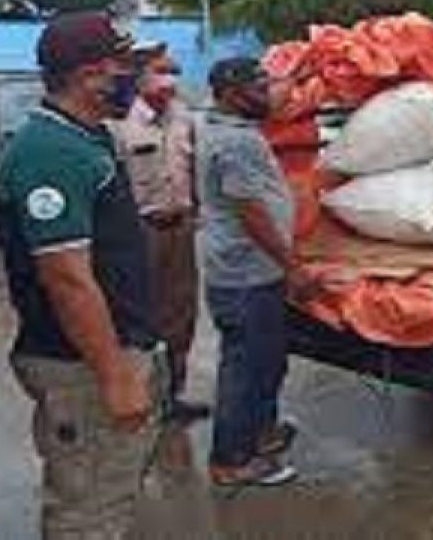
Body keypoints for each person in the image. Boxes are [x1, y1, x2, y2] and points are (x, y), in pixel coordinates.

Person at [0, 12, 162, 539]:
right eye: (126, 67)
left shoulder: (85, 139)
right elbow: (67, 279)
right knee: (88, 507)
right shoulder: (51, 152)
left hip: (104, 353)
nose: (135, 78)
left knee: (108, 493)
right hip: (82, 366)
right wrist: (116, 376)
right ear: (91, 75)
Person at [196, 57, 307, 489]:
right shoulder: (235, 143)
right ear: (231, 92)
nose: (267, 94)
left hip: (251, 270)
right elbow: (252, 214)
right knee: (245, 369)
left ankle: (261, 433)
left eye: (266, 84)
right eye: (257, 87)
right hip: (245, 274)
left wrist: (301, 75)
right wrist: (292, 266)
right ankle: (230, 460)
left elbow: (276, 102)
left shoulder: (228, 124)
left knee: (267, 362)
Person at [112, 46, 210, 423]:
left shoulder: (184, 119)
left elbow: (195, 168)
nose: (170, 78)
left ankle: (174, 395)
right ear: (140, 78)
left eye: (173, 71)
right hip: (141, 232)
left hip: (180, 229)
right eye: (160, 71)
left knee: (181, 314)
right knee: (141, 318)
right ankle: (142, 396)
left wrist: (197, 213)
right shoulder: (122, 125)